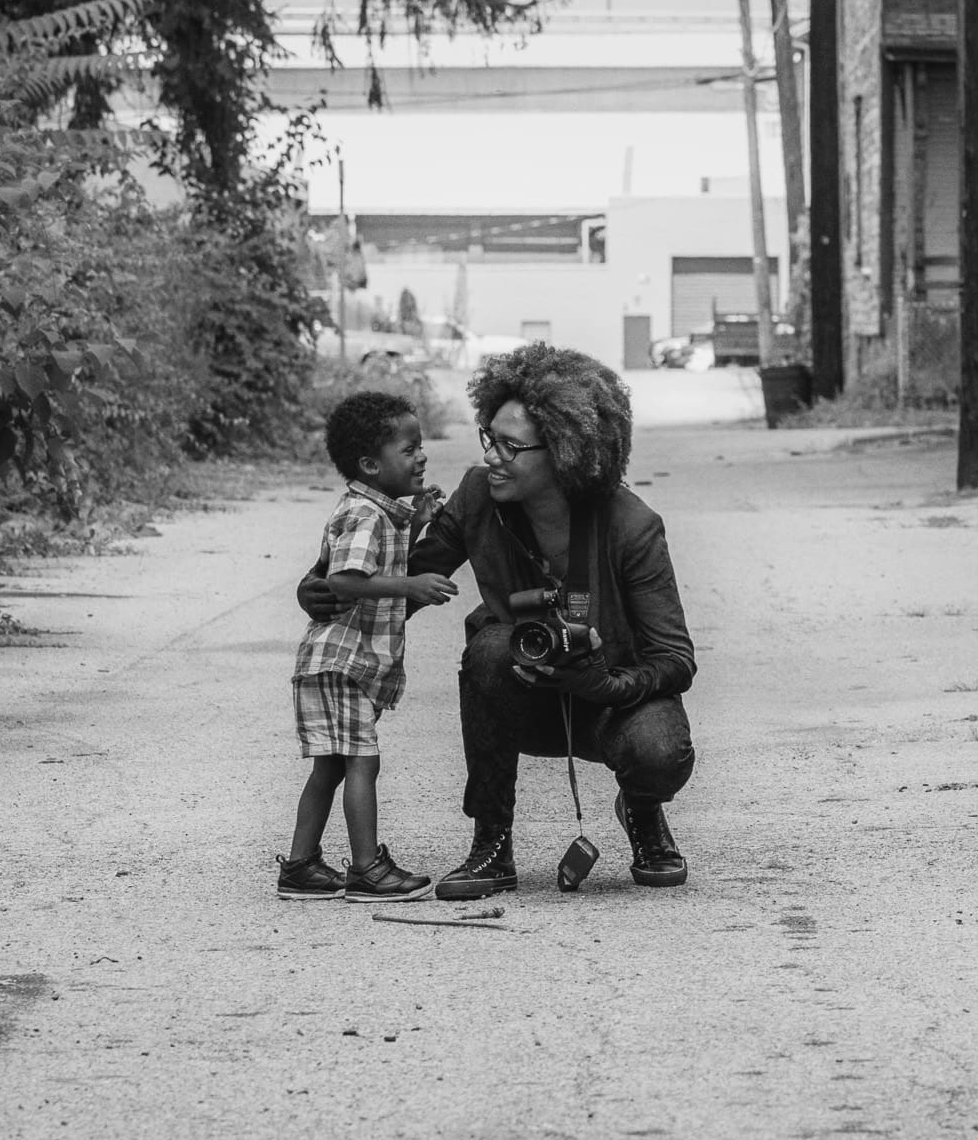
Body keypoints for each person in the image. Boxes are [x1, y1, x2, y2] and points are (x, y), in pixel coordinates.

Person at [298, 345, 695, 899]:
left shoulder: (631, 525)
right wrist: (322, 587)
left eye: (511, 447)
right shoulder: (480, 497)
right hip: (522, 700)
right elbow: (405, 578)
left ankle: (644, 810)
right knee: (488, 649)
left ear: (564, 453)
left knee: (660, 750)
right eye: (490, 438)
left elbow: (675, 660)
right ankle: (491, 843)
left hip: (611, 703)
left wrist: (607, 682)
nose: (493, 457)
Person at [277, 390, 458, 903]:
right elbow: (347, 580)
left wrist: (419, 520)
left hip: (339, 661)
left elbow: (379, 551)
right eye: (409, 449)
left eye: (420, 445)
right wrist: (412, 585)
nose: (421, 456)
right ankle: (367, 869)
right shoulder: (366, 514)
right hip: (340, 660)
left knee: (332, 764)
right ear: (370, 464)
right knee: (362, 761)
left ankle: (301, 867)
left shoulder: (378, 510)